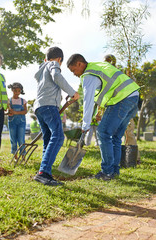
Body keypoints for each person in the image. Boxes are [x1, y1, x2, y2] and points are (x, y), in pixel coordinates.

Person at [67, 54, 140, 180]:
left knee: (102, 132)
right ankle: (114, 171)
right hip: (133, 97)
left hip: (121, 99)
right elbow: (105, 91)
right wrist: (98, 112)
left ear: (79, 64)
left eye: (73, 70)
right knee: (116, 136)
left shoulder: (88, 76)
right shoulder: (99, 66)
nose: (74, 74)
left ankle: (106, 172)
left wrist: (85, 124)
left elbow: (88, 101)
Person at [33, 46, 79, 186]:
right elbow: (57, 76)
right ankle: (43, 173)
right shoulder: (53, 64)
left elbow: (50, 86)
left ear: (45, 58)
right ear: (59, 60)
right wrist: (73, 92)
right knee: (58, 136)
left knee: (48, 139)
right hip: (48, 106)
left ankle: (44, 171)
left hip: (39, 107)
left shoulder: (41, 70)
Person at [104, 54, 141, 164]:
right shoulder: (107, 74)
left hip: (126, 106)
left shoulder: (123, 72)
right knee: (115, 135)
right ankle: (119, 159)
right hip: (115, 108)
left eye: (109, 61)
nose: (107, 64)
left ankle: (134, 158)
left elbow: (133, 88)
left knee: (129, 132)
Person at [7, 82, 27, 159]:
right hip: (12, 122)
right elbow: (6, 111)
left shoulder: (23, 101)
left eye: (19, 91)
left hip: (21, 122)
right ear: (12, 90)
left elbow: (25, 111)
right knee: (13, 139)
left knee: (21, 139)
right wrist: (9, 113)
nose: (17, 93)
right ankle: (15, 156)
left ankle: (23, 155)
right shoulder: (9, 101)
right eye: (15, 91)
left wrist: (16, 112)